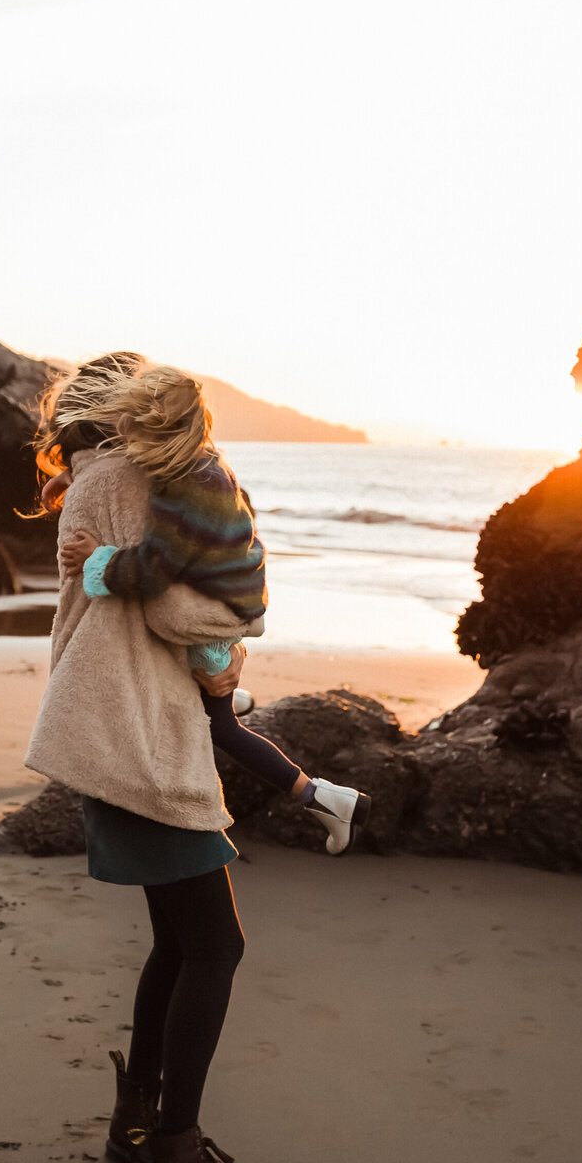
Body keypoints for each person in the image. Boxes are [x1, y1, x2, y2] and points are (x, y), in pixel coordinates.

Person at [25, 356, 280, 1163]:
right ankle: (177, 1160)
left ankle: (139, 1124)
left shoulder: (89, 480)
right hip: (141, 743)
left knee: (179, 942)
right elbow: (179, 614)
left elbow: (132, 594)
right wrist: (245, 619)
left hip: (112, 736)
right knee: (218, 946)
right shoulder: (139, 476)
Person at [40, 357, 371, 854]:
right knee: (219, 707)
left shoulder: (179, 489)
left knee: (221, 724)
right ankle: (232, 703)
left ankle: (320, 795)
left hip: (218, 615)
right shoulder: (199, 465)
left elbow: (154, 574)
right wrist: (72, 477)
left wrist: (98, 559)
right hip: (234, 600)